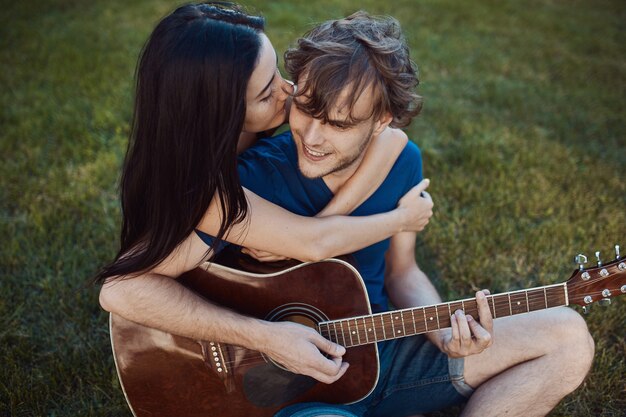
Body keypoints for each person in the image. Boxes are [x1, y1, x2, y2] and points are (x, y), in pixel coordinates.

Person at [233, 11, 596, 417]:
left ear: (381, 121)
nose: (313, 137)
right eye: (304, 110)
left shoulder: (403, 161)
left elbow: (401, 272)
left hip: (385, 353)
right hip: (294, 387)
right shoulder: (254, 178)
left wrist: (445, 336)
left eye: (338, 124)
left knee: (569, 336)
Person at [96, 0, 434, 401]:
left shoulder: (290, 113)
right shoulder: (213, 192)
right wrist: (401, 219)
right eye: (264, 93)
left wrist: (317, 223)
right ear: (224, 115)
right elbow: (119, 290)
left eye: (276, 71)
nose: (288, 91)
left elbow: (391, 138)